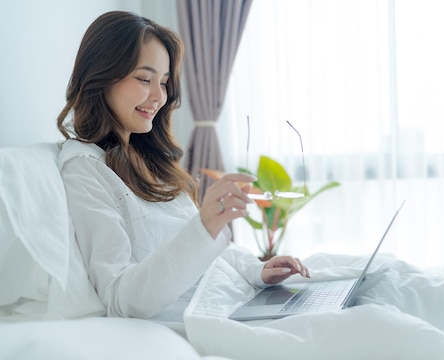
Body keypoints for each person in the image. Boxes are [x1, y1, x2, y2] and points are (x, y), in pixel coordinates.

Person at [56, 11, 310, 326]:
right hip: (204, 318)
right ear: (101, 75)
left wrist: (257, 270)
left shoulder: (147, 159)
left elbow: (203, 252)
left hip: (233, 300)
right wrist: (202, 227)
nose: (159, 96)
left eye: (163, 82)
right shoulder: (84, 168)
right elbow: (121, 298)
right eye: (144, 79)